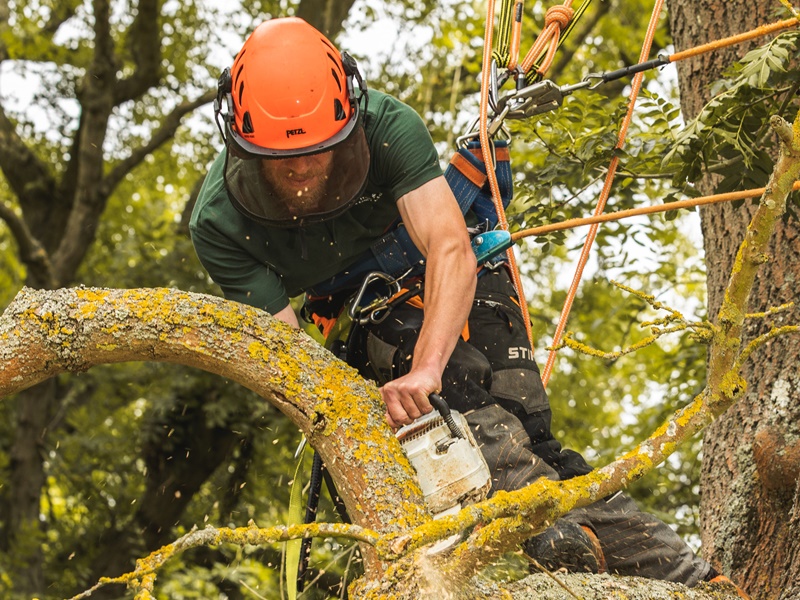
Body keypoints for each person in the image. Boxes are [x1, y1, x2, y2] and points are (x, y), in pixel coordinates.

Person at [189, 16, 747, 595]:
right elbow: (293, 363)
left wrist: (428, 367)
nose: (304, 167)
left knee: (531, 436)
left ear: (347, 118)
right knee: (473, 431)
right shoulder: (220, 224)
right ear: (242, 141)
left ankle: (693, 579)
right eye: (284, 159)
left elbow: (449, 246)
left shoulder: (386, 126)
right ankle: (547, 525)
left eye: (320, 150)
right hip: (374, 317)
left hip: (460, 275)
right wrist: (367, 415)